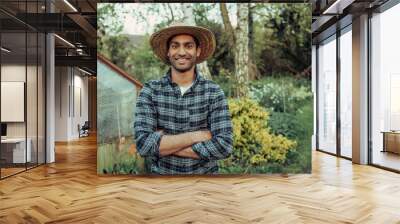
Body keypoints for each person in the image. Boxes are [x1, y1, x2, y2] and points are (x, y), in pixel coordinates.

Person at [134, 22, 233, 174]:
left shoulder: (213, 92)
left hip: (206, 184)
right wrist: (198, 136)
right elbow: (143, 145)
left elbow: (224, 146)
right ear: (168, 51)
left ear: (198, 51)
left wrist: (165, 144)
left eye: (188, 46)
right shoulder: (151, 91)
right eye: (175, 46)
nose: (181, 52)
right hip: (163, 185)